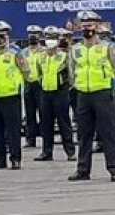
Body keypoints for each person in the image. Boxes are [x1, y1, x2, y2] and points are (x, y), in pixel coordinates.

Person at [67, 13, 115, 182]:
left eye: (90, 25)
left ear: (97, 27)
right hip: (83, 94)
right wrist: (76, 85)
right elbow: (71, 71)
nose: (87, 29)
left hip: (102, 94)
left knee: (108, 133)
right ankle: (83, 169)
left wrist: (111, 86)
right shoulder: (76, 49)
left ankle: (114, 169)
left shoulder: (108, 47)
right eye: (84, 25)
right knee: (84, 134)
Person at [0, 20, 29, 171]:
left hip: (10, 96)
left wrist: (16, 84)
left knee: (13, 129)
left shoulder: (16, 52)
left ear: (8, 35)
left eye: (2, 35)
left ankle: (15, 158)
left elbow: (26, 70)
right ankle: (0, 159)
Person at [34, 26, 75, 163]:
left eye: (53, 38)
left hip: (60, 93)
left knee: (64, 123)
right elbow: (39, 74)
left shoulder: (64, 55)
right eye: (48, 38)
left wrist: (65, 86)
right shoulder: (41, 56)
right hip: (45, 93)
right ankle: (47, 152)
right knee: (46, 124)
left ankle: (70, 151)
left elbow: (70, 74)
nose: (50, 41)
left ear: (58, 40)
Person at [23, 25, 43, 148]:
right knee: (29, 114)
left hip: (40, 85)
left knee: (43, 113)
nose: (32, 36)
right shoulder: (24, 52)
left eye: (35, 34)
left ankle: (45, 136)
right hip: (28, 84)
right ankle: (30, 139)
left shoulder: (44, 51)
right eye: (30, 34)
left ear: (40, 36)